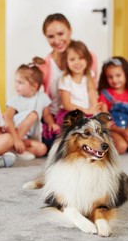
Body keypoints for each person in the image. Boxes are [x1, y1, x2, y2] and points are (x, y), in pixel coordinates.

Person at [38, 13, 98, 148]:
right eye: (51, 36)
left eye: (60, 33)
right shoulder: (45, 64)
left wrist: (92, 111)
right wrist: (49, 121)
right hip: (57, 116)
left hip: (85, 114)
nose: (57, 40)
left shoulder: (87, 58)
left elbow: (91, 89)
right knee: (55, 144)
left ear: (69, 31)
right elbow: (43, 98)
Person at [3, 59, 60, 159]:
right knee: (33, 115)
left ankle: (12, 149)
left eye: (20, 82)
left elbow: (46, 115)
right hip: (15, 134)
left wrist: (51, 123)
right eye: (16, 81)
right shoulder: (15, 100)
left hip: (30, 137)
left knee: (43, 149)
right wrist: (17, 139)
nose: (16, 85)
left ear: (34, 86)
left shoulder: (42, 98)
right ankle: (14, 143)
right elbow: (7, 118)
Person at [98, 57, 128, 154]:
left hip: (127, 130)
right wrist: (121, 132)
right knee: (121, 147)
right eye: (110, 77)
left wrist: (127, 132)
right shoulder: (105, 94)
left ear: (126, 75)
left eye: (118, 75)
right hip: (113, 130)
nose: (114, 80)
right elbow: (105, 120)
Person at [57, 40, 100, 123]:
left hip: (88, 112)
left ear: (87, 59)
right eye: (72, 59)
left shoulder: (89, 75)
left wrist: (94, 108)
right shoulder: (65, 79)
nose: (77, 62)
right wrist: (86, 111)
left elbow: (92, 92)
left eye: (81, 58)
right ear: (66, 62)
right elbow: (67, 104)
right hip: (73, 113)